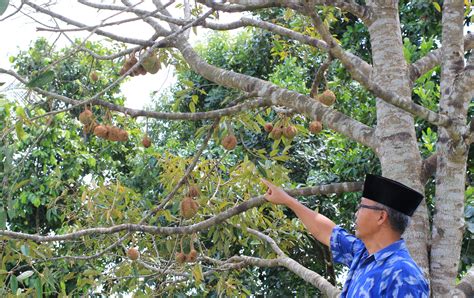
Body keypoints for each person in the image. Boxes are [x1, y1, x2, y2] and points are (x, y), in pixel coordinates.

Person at [261, 174, 429, 297]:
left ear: (381, 217)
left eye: (362, 207)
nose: (356, 214)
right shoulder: (363, 254)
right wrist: (288, 200)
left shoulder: (403, 273)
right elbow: (326, 231)